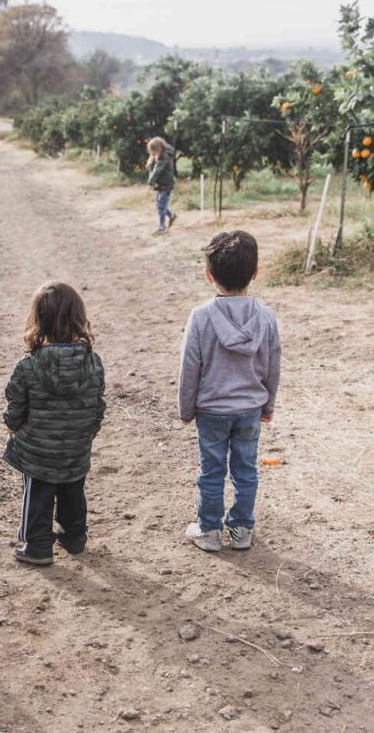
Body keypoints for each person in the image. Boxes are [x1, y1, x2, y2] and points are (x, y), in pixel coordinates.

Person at [178, 230, 281, 553]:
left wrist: (186, 408)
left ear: (209, 275)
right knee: (245, 471)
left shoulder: (200, 317)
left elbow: (190, 367)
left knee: (211, 472)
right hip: (249, 409)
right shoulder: (266, 317)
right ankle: (240, 533)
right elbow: (273, 365)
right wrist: (268, 405)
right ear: (255, 273)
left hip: (211, 410)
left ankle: (209, 532)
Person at [2, 282, 107, 565]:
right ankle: (74, 536)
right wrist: (88, 432)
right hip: (76, 445)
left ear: (38, 320)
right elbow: (98, 403)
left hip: (38, 449)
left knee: (38, 492)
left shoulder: (28, 366)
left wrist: (12, 427)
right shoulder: (93, 362)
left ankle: (38, 546)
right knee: (73, 489)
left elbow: (16, 406)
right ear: (78, 318)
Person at [146, 137, 178, 235]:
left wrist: (151, 182)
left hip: (166, 185)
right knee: (159, 204)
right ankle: (171, 215)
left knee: (161, 205)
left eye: (153, 150)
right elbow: (152, 169)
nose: (151, 152)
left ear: (158, 149)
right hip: (160, 184)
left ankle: (162, 227)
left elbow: (157, 170)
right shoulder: (157, 156)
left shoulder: (164, 157)